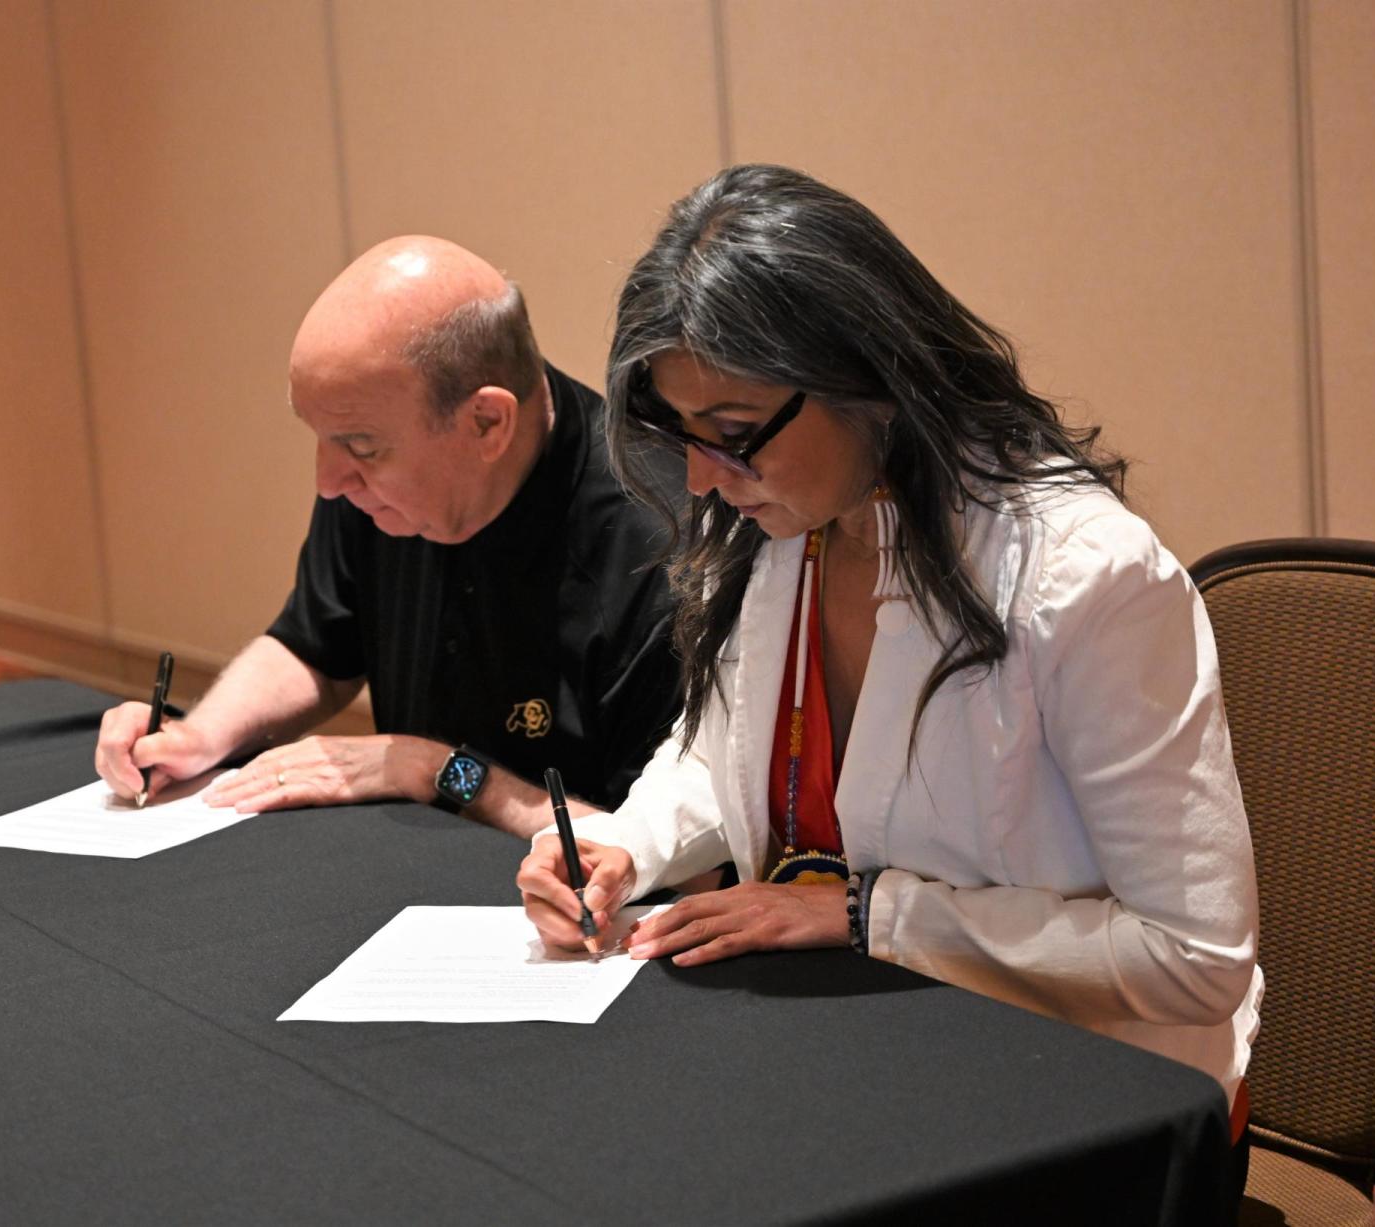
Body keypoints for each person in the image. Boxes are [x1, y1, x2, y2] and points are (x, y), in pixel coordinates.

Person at [518, 165, 1262, 1190]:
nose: (699, 478)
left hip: (1095, 1114)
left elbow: (1196, 957)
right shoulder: (785, 527)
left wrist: (871, 915)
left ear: (869, 381)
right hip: (876, 1064)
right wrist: (620, 849)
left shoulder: (1086, 579)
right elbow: (723, 746)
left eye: (733, 437)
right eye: (683, 436)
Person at [96, 237, 680, 835]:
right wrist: (199, 735)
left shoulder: (654, 549)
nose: (328, 481)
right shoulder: (373, 475)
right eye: (321, 438)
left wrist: (433, 771)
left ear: (487, 422)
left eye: (360, 447)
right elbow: (316, 645)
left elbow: (663, 854)